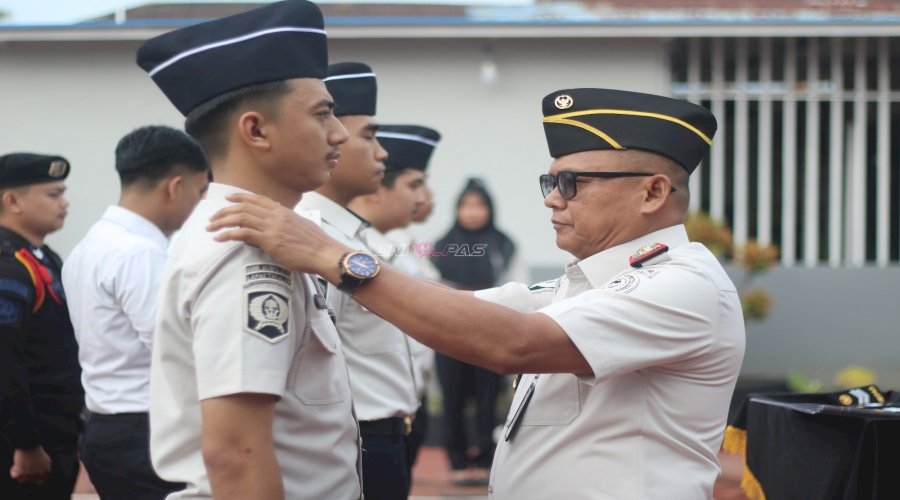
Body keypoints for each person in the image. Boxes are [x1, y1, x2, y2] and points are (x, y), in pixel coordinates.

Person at [208, 87, 747, 499]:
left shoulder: (682, 284)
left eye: (571, 183)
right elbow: (466, 310)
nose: (552, 201)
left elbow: (513, 342)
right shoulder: (583, 281)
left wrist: (335, 258)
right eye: (549, 182)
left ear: (652, 191)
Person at [135, 1, 361, 499]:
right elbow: (235, 453)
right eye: (322, 114)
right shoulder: (245, 248)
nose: (339, 133)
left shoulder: (268, 234)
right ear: (256, 130)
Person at [61, 126, 209, 499]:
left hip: (108, 426)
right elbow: (176, 349)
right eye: (200, 191)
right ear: (175, 187)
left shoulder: (91, 244)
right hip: (145, 431)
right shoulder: (140, 253)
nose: (200, 204)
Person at [296, 64, 419, 500]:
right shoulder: (311, 234)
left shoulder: (351, 233)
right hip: (360, 437)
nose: (382, 152)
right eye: (369, 136)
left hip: (386, 436)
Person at [0, 153, 83, 499]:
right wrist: (25, 443)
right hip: (21, 448)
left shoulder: (42, 257)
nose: (64, 204)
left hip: (55, 436)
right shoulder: (9, 266)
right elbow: (5, 360)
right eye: (53, 194)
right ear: (12, 200)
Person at [429, 177, 519, 486]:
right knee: (452, 398)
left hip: (490, 331)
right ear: (456, 209)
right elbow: (432, 289)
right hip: (448, 333)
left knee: (488, 397)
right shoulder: (440, 247)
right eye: (466, 205)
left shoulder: (504, 245)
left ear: (489, 209)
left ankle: (484, 459)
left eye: (479, 205)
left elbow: (514, 287)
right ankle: (456, 461)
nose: (472, 212)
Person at [378, 125, 443, 474]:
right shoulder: (361, 250)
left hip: (408, 403)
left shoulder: (405, 243)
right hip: (375, 416)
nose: (426, 196)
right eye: (415, 184)